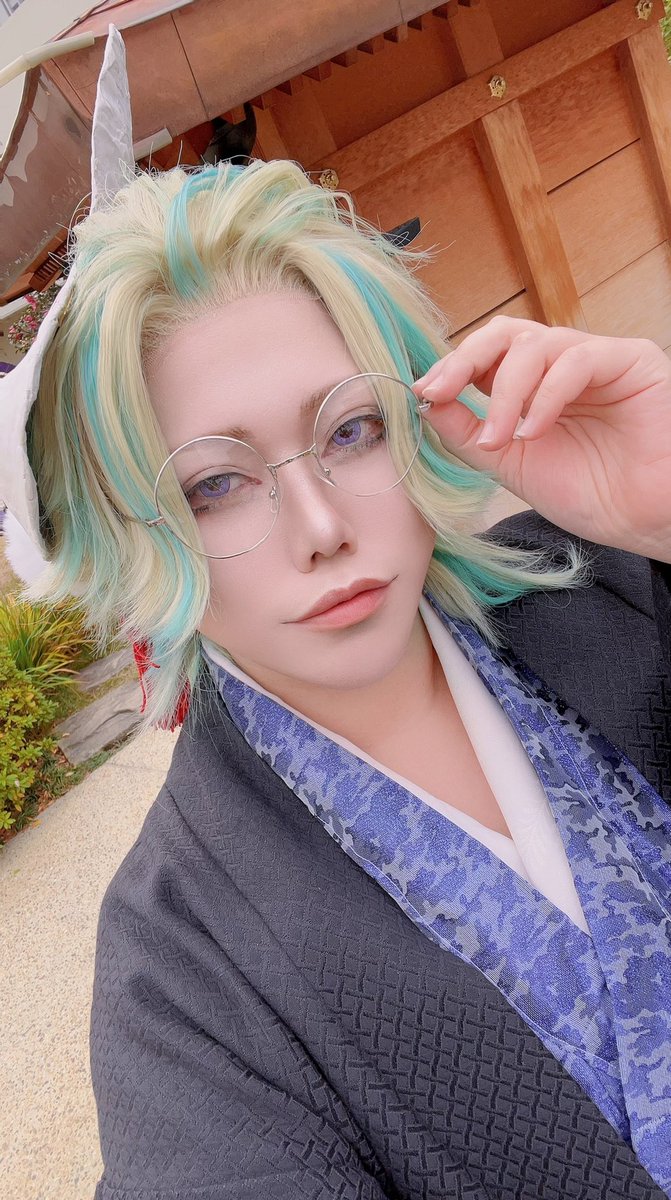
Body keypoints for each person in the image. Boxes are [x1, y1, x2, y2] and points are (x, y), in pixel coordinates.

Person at [14, 157, 671, 1199]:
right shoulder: (180, 970)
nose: (321, 527)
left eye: (350, 430)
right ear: (128, 534)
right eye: (215, 486)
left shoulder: (622, 592)